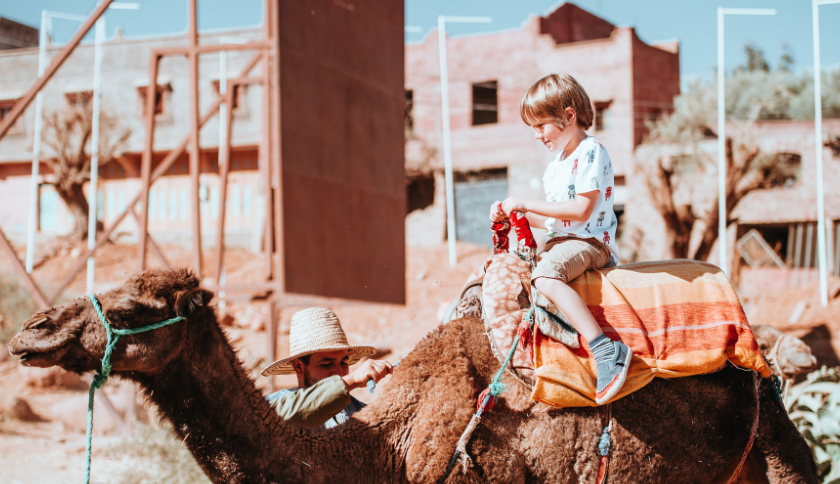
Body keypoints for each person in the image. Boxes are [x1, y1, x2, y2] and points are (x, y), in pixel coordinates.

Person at [489, 73, 631, 405]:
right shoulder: (555, 165)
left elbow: (581, 210)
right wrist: (514, 217)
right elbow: (553, 218)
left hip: (589, 242)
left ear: (568, 116)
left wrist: (524, 203)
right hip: (561, 241)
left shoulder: (590, 151)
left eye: (541, 126)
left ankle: (605, 348)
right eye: (533, 128)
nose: (537, 135)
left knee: (544, 276)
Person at [261, 307, 393, 428]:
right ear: (298, 367)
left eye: (343, 363)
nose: (339, 372)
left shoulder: (363, 413)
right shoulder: (272, 407)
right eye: (326, 364)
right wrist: (351, 380)